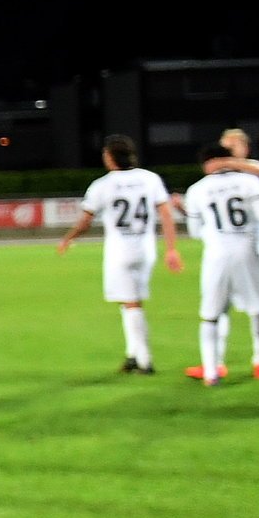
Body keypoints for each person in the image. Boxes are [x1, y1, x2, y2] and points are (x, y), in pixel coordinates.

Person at [179, 144, 259, 386]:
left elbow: (196, 232)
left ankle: (211, 374)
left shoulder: (197, 189)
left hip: (216, 257)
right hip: (248, 253)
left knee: (211, 317)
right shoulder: (249, 182)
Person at [56, 134, 185, 374]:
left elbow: (85, 221)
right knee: (130, 302)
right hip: (146, 250)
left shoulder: (102, 184)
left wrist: (68, 238)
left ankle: (145, 361)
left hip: (120, 251)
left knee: (132, 303)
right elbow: (166, 214)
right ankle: (132, 355)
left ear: (109, 157)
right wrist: (172, 249)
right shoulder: (150, 179)